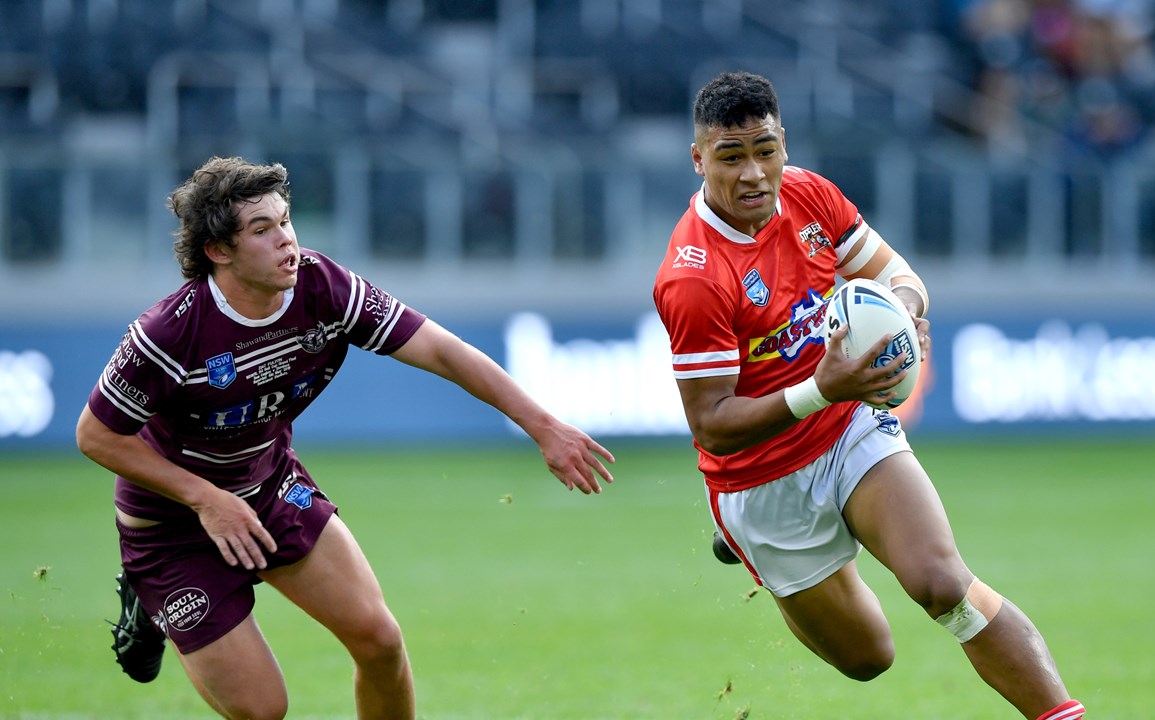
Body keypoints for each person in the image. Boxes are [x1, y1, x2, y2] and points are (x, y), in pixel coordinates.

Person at [77, 156, 615, 719]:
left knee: (380, 641)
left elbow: (440, 349)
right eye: (262, 230)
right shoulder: (169, 333)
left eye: (285, 220)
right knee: (263, 709)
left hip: (268, 489)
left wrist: (543, 426)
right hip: (172, 528)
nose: (286, 240)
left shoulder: (322, 285)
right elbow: (95, 437)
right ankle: (150, 602)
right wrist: (207, 500)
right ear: (219, 251)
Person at [652, 71, 1084, 720]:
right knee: (868, 658)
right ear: (698, 159)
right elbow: (711, 424)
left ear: (784, 144)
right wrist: (818, 387)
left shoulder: (810, 196)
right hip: (758, 478)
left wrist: (903, 314)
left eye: (765, 150)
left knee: (943, 586)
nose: (753, 174)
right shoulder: (694, 276)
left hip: (846, 424)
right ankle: (746, 546)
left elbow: (902, 277)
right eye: (730, 156)